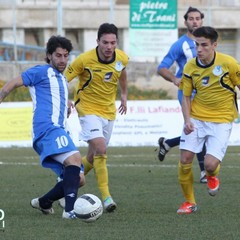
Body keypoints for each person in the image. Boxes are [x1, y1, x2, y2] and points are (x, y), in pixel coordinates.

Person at [0, 35, 85, 219]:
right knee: (75, 159)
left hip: (60, 128)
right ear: (49, 56)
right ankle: (70, 212)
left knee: (79, 179)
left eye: (65, 56)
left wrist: (66, 104)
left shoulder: (62, 79)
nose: (62, 60)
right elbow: (12, 83)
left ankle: (44, 202)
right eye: (58, 55)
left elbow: (54, 96)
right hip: (46, 128)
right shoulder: (41, 71)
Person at [64, 23, 128, 212]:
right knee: (101, 147)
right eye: (105, 42)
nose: (109, 47)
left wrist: (124, 95)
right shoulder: (84, 60)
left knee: (92, 157)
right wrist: (66, 100)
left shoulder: (122, 57)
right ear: (97, 41)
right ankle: (107, 197)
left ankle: (65, 185)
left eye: (113, 42)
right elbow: (62, 79)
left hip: (108, 111)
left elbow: (122, 73)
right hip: (87, 108)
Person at [176, 26, 240, 214]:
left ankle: (212, 175)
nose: (199, 49)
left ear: (214, 45)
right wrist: (187, 120)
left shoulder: (229, 63)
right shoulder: (190, 66)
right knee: (185, 158)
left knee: (210, 165)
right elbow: (186, 96)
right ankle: (189, 202)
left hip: (222, 120)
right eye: (197, 45)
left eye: (204, 45)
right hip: (196, 119)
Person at [157, 6, 207, 183]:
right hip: (187, 93)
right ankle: (203, 172)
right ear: (185, 22)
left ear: (202, 20)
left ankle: (168, 143)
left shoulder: (207, 42)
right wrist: (174, 79)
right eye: (191, 18)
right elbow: (161, 67)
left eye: (197, 18)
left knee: (202, 129)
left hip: (205, 93)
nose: (194, 21)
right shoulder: (180, 45)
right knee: (197, 127)